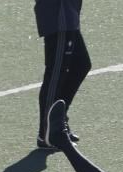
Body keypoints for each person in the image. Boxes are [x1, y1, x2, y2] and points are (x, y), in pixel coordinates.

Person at [35, 0, 89, 150]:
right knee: (56, 73)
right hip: (58, 14)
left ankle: (57, 121)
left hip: (68, 14)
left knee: (81, 64)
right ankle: (47, 133)